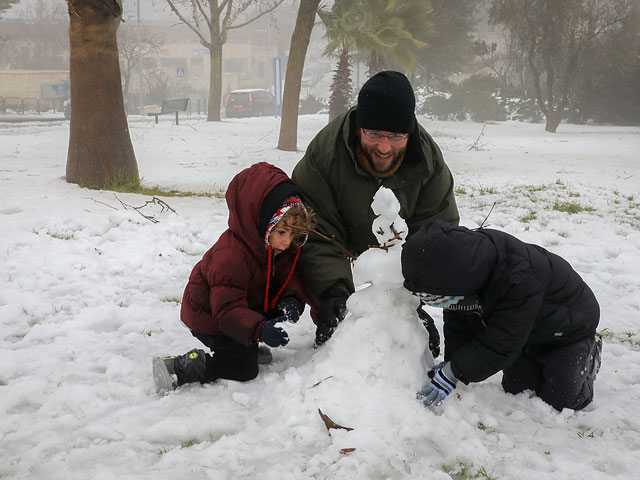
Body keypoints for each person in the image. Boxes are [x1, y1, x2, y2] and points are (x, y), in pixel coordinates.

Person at [292, 71, 459, 348]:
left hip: (397, 254)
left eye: (396, 136)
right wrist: (332, 294)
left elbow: (437, 233)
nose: (384, 147)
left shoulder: (427, 162)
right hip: (343, 239)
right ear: (359, 127)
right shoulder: (325, 155)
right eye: (374, 134)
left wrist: (408, 302)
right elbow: (315, 231)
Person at [401, 220, 602, 411]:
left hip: (568, 330)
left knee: (559, 401)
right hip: (526, 330)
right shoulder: (466, 274)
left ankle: (590, 354)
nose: (435, 302)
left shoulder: (518, 278)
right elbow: (460, 325)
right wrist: (454, 363)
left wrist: (456, 371)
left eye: (435, 297)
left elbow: (502, 343)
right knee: (518, 390)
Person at [152, 162, 316, 395]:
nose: (287, 242)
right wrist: (260, 329)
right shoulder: (232, 255)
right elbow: (227, 311)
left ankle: (245, 344)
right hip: (210, 317)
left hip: (240, 308)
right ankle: (178, 368)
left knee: (253, 334)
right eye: (281, 232)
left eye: (293, 234)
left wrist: (290, 300)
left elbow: (289, 278)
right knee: (243, 368)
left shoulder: (275, 248)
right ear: (261, 222)